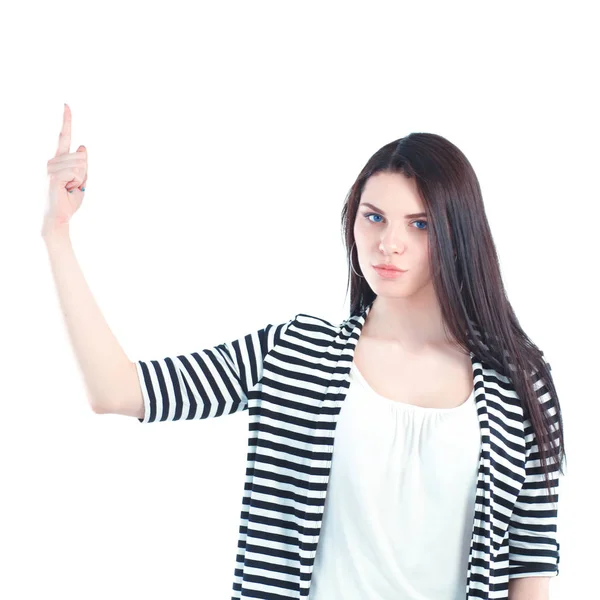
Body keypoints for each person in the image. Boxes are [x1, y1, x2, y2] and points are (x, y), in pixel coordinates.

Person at [43, 103, 565, 600]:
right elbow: (119, 390)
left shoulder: (518, 384)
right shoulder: (296, 354)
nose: (389, 243)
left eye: (419, 224)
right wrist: (58, 234)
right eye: (374, 217)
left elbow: (531, 573)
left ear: (458, 234)